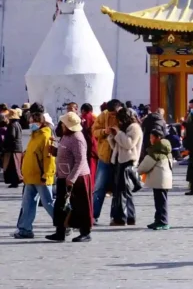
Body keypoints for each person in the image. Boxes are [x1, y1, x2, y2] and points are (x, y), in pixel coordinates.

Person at [48, 112, 92, 242]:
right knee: (61, 205)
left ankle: (85, 232)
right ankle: (60, 232)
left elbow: (80, 160)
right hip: (63, 175)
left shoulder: (77, 138)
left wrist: (71, 178)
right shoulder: (65, 136)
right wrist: (55, 151)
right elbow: (66, 153)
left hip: (78, 178)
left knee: (81, 206)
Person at [12, 112, 56, 239]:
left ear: (40, 122)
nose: (30, 124)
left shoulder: (46, 137)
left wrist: (46, 174)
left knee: (48, 203)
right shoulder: (34, 136)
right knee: (28, 204)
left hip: (41, 177)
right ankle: (25, 229)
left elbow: (49, 159)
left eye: (33, 122)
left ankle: (64, 223)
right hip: (30, 177)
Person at [108, 108, 142, 227]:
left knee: (124, 192)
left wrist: (118, 133)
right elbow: (117, 147)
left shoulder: (134, 128)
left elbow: (128, 144)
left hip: (128, 162)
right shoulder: (125, 129)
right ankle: (124, 217)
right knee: (119, 191)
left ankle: (123, 217)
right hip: (120, 161)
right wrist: (112, 136)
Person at [138, 125, 174, 229]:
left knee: (160, 202)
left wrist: (137, 172)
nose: (150, 140)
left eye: (151, 137)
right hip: (165, 179)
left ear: (158, 138)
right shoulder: (166, 149)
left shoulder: (155, 151)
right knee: (160, 201)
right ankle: (158, 220)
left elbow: (145, 166)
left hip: (160, 180)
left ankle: (163, 222)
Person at [91, 100, 121, 219]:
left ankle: (116, 216)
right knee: (99, 187)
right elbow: (94, 131)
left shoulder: (125, 115)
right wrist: (104, 131)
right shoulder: (103, 116)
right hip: (105, 156)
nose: (112, 116)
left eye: (114, 114)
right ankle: (93, 215)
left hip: (120, 157)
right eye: (111, 114)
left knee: (118, 188)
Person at [3, 106, 24, 188]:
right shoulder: (18, 124)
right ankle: (16, 180)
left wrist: (6, 144)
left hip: (12, 148)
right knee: (17, 165)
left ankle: (15, 181)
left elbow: (12, 135)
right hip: (18, 147)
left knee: (13, 166)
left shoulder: (12, 125)